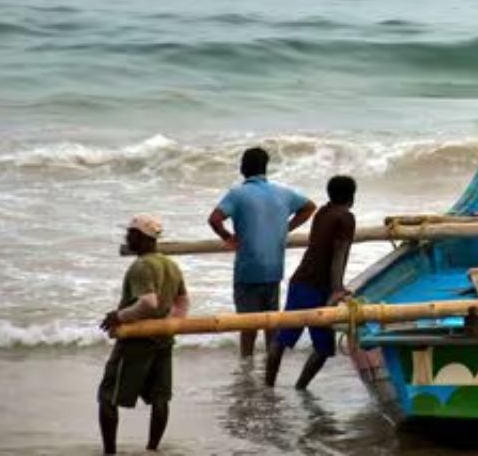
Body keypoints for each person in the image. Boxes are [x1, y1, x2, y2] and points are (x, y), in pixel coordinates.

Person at [207, 147, 315, 357]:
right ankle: (269, 370)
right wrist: (285, 228)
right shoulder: (284, 193)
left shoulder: (237, 194)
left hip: (248, 270)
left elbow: (214, 219)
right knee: (271, 325)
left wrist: (228, 238)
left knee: (248, 327)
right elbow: (310, 207)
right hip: (273, 269)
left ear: (243, 169)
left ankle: (246, 370)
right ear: (265, 168)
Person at [98, 215, 189, 455]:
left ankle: (109, 452)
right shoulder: (170, 264)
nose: (127, 237)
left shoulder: (141, 266)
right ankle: (152, 449)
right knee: (160, 397)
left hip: (136, 341)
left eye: (130, 233)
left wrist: (119, 316)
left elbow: (148, 302)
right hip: (163, 338)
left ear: (141, 237)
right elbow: (183, 300)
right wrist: (173, 324)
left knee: (107, 396)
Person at [266, 175, 357, 390]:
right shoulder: (346, 218)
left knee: (282, 339)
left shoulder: (322, 213)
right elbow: (339, 252)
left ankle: (268, 387)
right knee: (324, 348)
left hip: (299, 282)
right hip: (318, 287)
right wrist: (337, 289)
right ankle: (300, 388)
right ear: (352, 196)